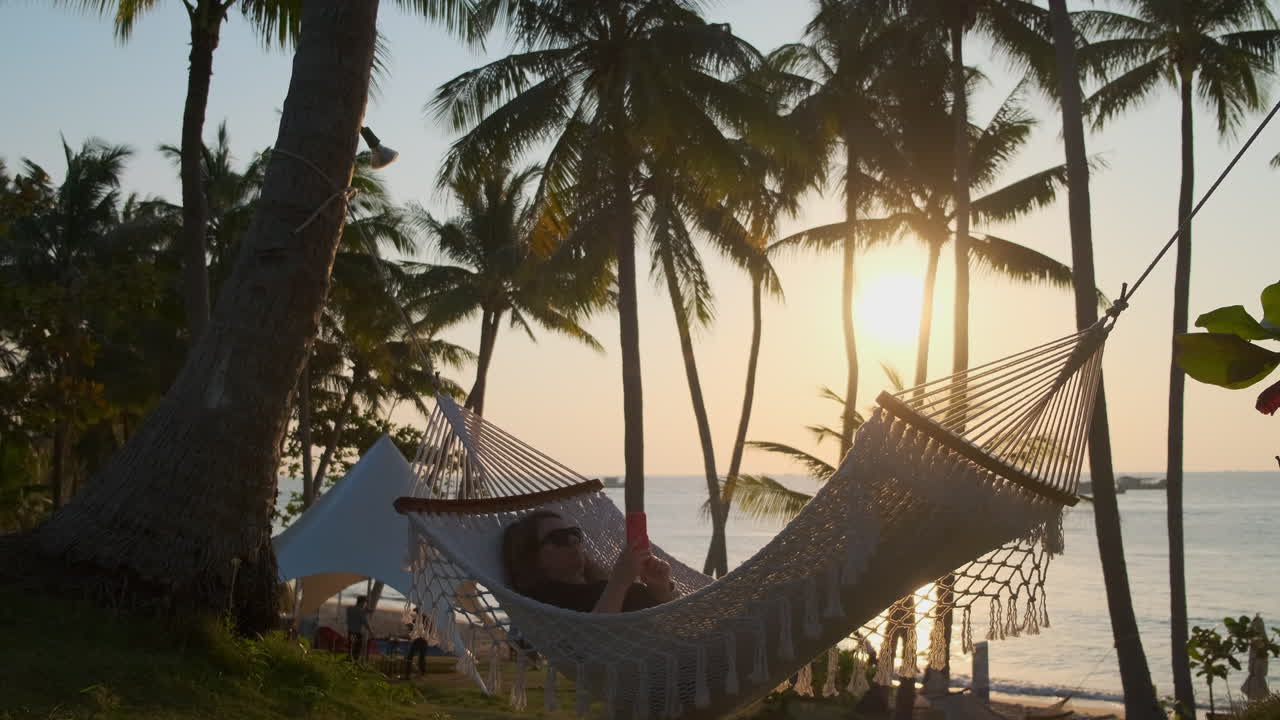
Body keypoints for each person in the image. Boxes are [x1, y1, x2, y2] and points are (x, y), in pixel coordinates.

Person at [503, 509, 678, 613]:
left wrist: (660, 588)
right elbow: (598, 639)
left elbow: (667, 619)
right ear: (533, 556)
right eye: (559, 538)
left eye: (575, 534)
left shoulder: (600, 585)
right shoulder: (549, 601)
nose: (573, 541)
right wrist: (620, 581)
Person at [346, 595, 374, 660]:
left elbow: (356, 612)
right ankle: (355, 660)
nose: (365, 605)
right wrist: (371, 632)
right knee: (357, 648)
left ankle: (350, 658)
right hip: (357, 632)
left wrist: (364, 611)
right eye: (364, 603)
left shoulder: (349, 609)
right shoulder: (361, 611)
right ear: (362, 602)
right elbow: (365, 623)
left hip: (350, 630)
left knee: (350, 647)